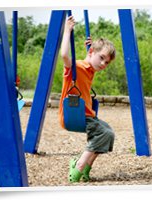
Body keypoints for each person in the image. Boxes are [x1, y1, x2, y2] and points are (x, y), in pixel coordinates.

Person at [59, 16, 116, 183]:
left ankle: (86, 169)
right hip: (74, 115)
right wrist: (67, 31)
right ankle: (78, 166)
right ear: (93, 53)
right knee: (103, 133)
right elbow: (64, 55)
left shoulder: (90, 68)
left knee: (109, 134)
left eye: (107, 62)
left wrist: (89, 52)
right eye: (102, 58)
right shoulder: (74, 68)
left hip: (87, 115)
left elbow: (88, 62)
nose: (104, 64)